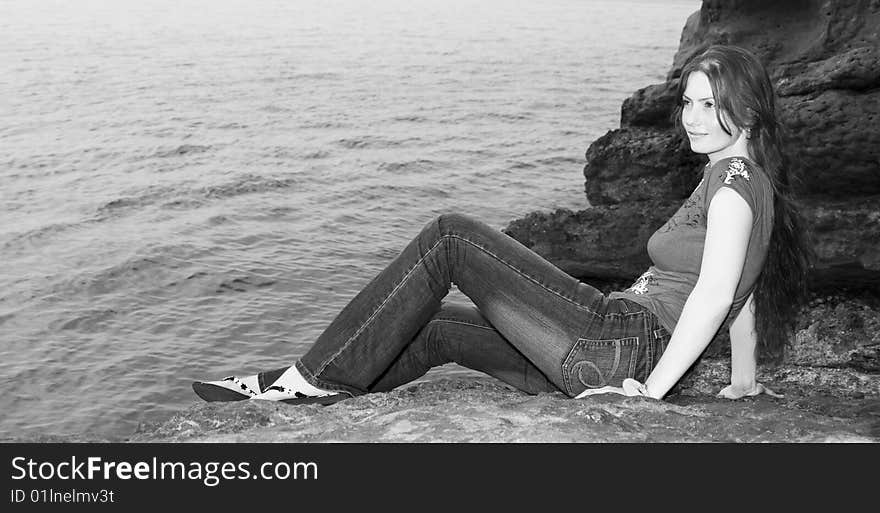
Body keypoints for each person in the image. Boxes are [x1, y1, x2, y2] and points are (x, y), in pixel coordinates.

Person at [192, 45, 812, 406]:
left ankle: (305, 383)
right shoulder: (738, 181)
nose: (691, 117)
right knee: (433, 330)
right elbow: (742, 296)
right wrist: (743, 385)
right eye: (688, 102)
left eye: (709, 104)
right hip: (596, 358)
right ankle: (300, 400)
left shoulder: (732, 190)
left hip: (614, 343)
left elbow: (710, 299)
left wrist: (647, 397)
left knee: (450, 236)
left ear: (748, 109)